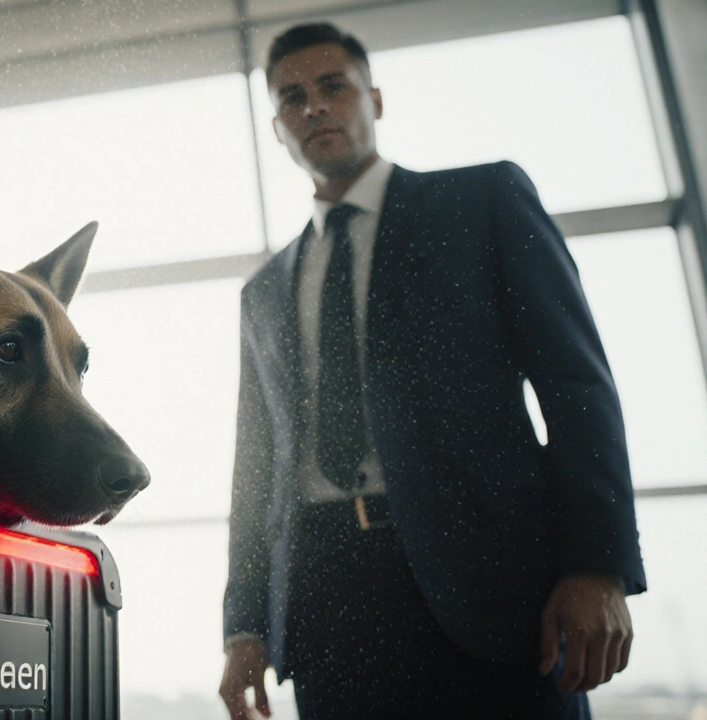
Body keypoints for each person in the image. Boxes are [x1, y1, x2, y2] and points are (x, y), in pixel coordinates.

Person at [218, 22, 645, 720]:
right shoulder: (262, 291)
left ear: (375, 99)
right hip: (327, 610)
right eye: (293, 97)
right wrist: (244, 625)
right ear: (276, 127)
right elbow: (255, 468)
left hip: (492, 588)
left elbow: (576, 386)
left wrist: (597, 565)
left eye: (333, 87)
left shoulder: (481, 204)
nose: (314, 107)